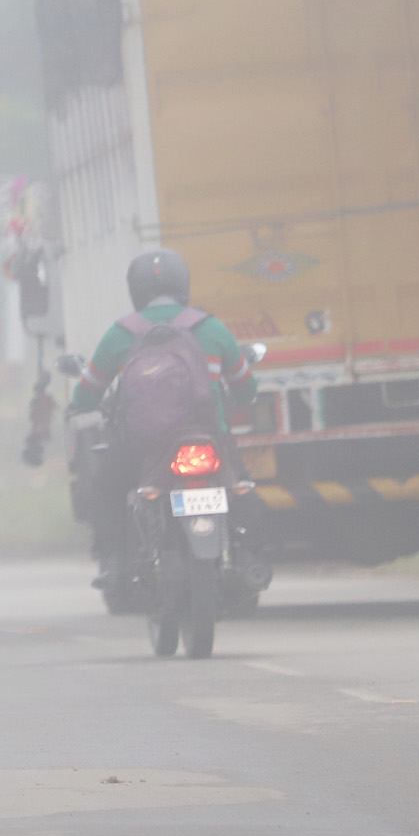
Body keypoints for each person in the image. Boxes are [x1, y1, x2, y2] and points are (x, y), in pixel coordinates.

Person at [69, 247, 259, 592]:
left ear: (136, 289)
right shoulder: (212, 328)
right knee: (242, 485)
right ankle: (246, 557)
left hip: (144, 447)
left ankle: (113, 563)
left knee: (107, 486)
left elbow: (87, 393)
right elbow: (246, 388)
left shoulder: (120, 334)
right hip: (209, 440)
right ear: (183, 283)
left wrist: (80, 404)